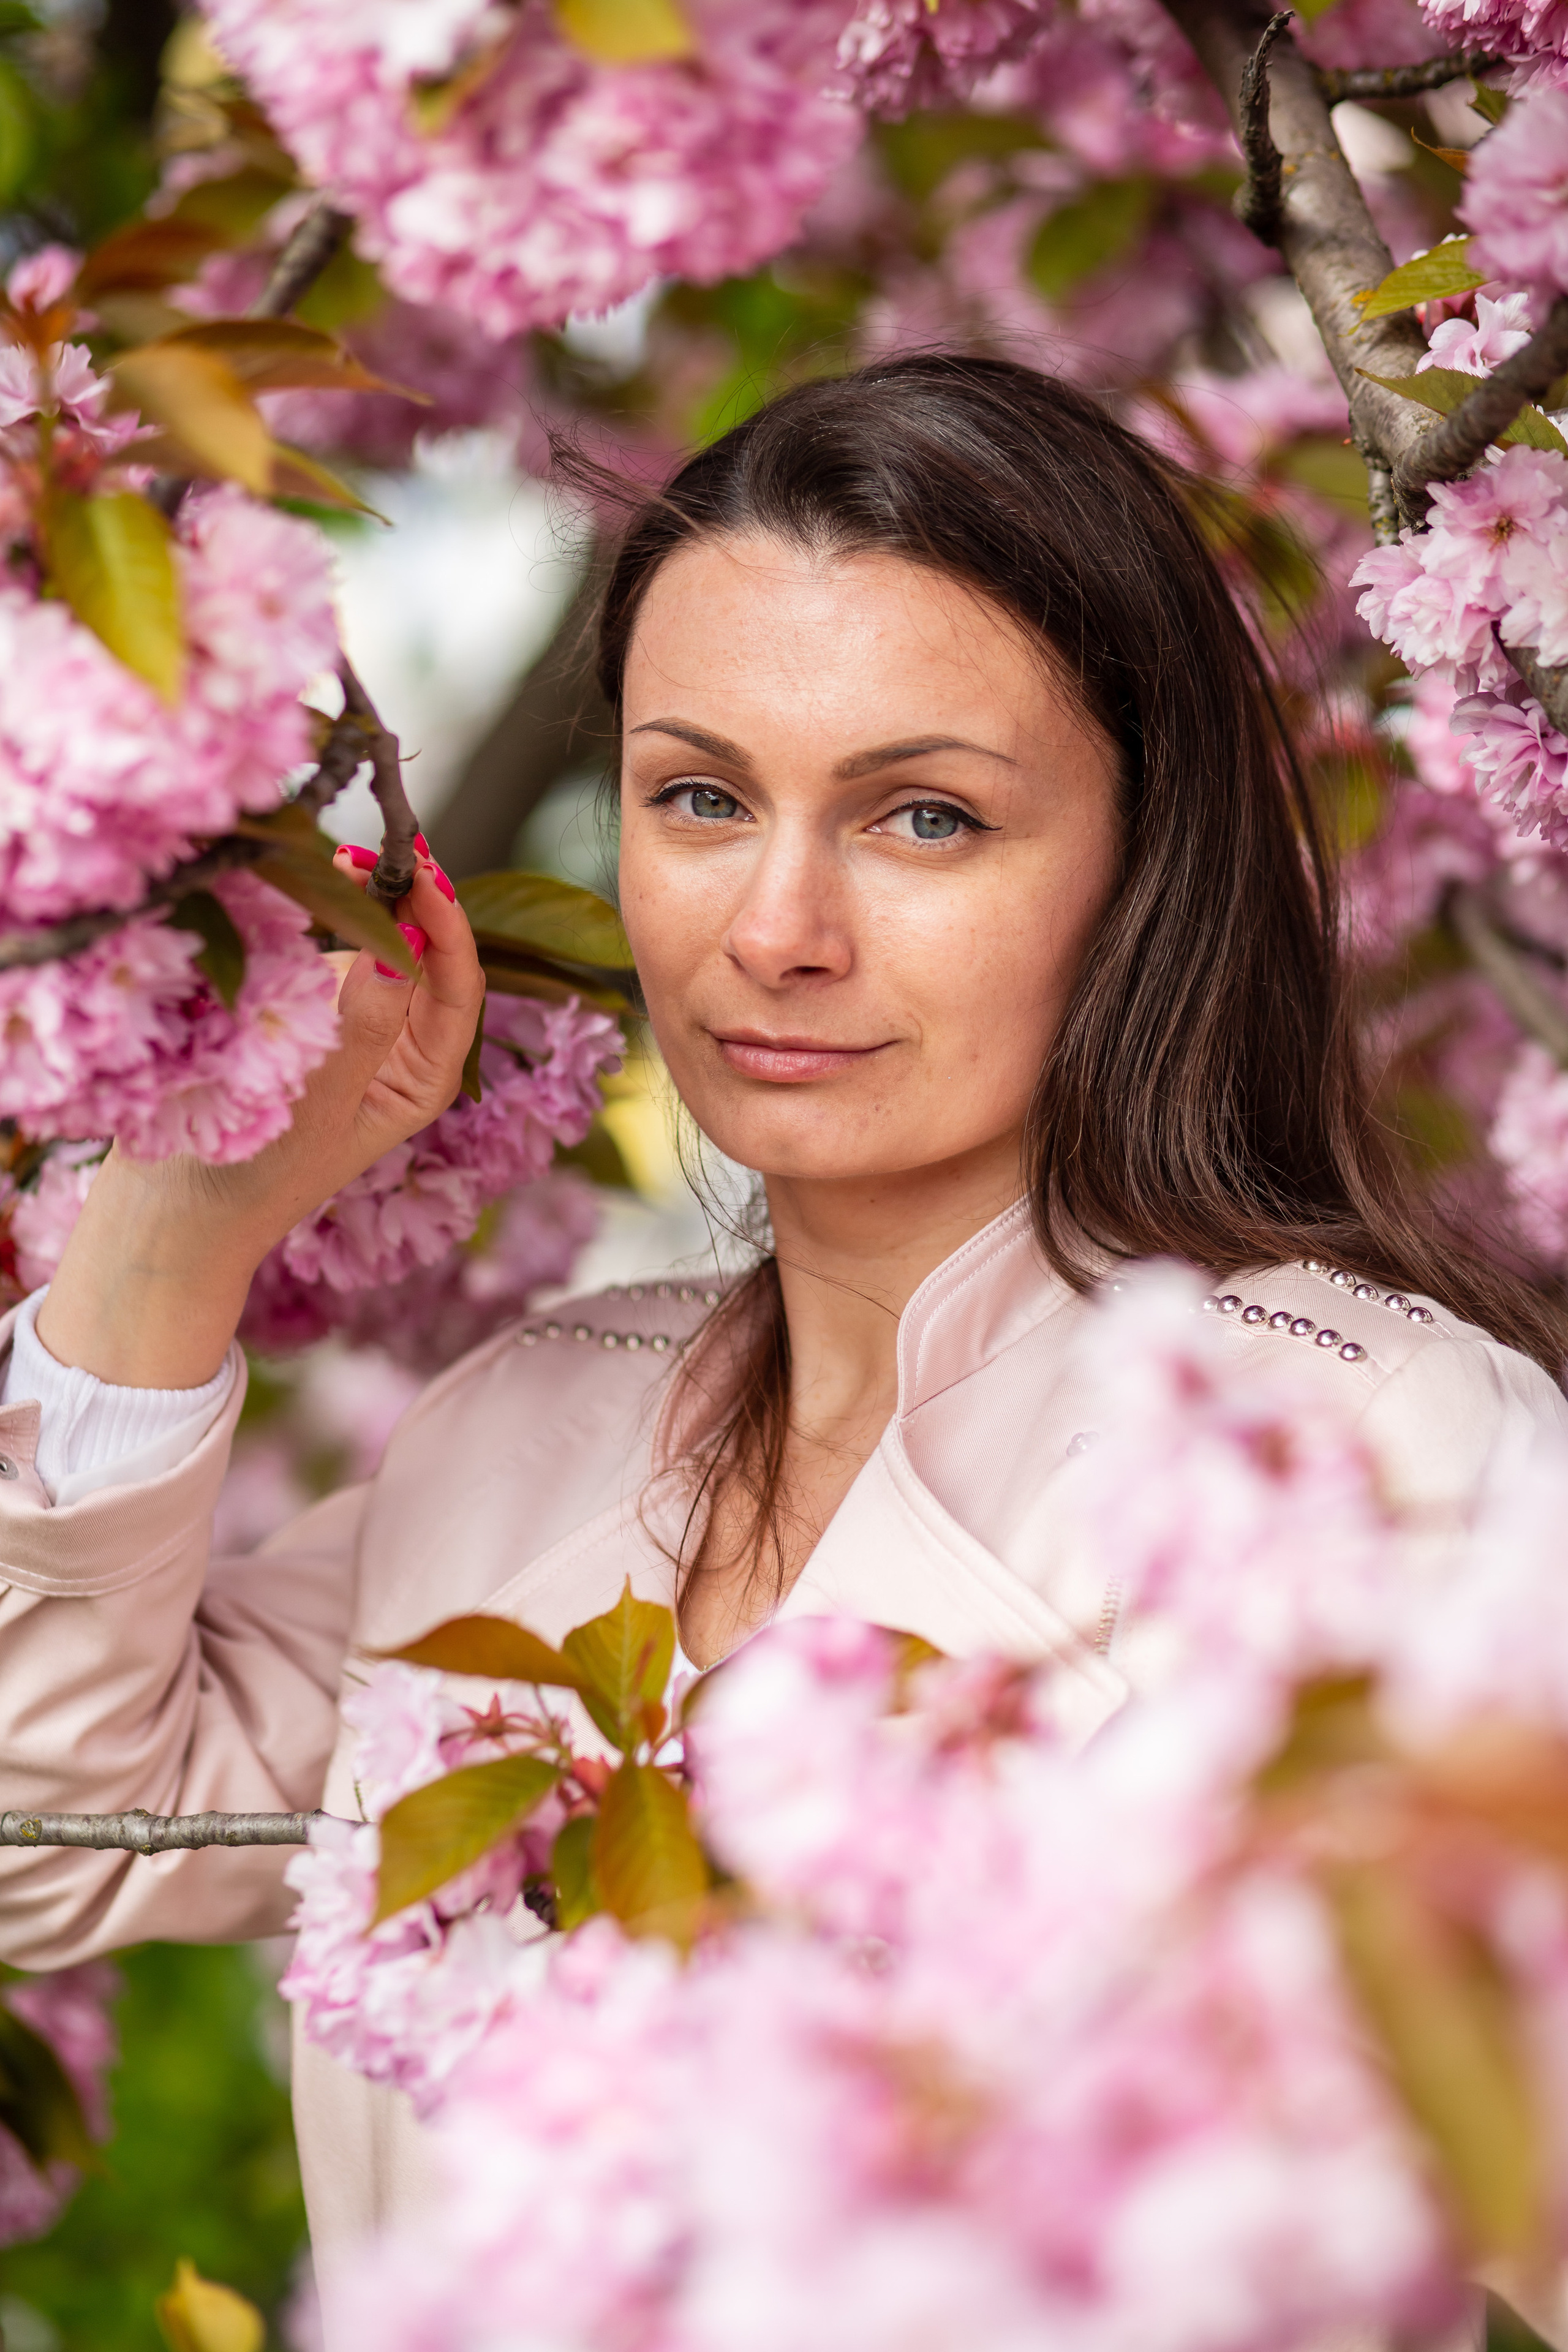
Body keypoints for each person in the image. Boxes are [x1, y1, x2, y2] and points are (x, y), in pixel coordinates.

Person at [2, 355, 1565, 2310]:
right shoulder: (532, 1426)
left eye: (924, 817)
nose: (776, 928)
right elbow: (50, 1838)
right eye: (702, 798)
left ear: (1144, 857)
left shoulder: (1356, 1438)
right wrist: (181, 1213)